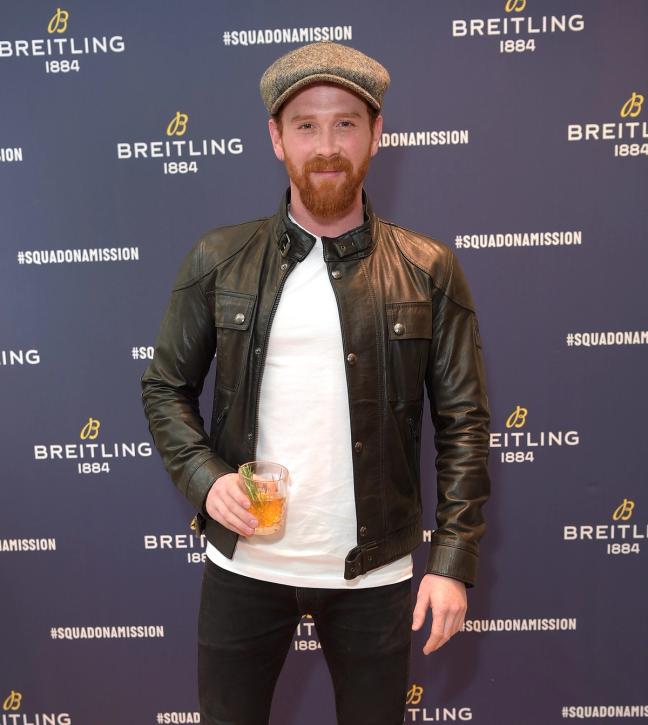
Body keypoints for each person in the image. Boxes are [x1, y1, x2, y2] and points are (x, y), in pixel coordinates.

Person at [141, 40, 490, 725]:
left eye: (345, 124)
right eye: (306, 126)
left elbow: (464, 423)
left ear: (376, 135)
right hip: (245, 568)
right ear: (276, 138)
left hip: (374, 575)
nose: (326, 146)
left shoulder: (428, 267)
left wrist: (452, 561)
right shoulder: (218, 258)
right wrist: (206, 477)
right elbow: (164, 387)